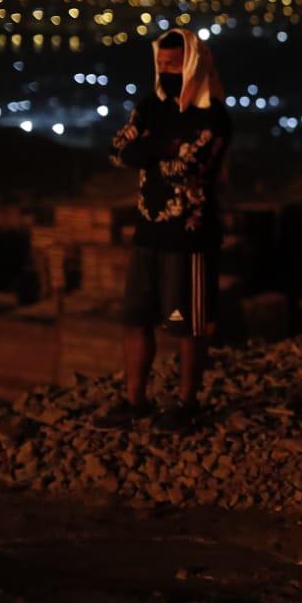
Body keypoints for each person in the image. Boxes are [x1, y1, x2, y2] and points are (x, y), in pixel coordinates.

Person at [98, 28, 231, 432]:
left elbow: (189, 168)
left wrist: (150, 151)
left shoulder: (212, 116)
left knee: (188, 325)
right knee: (135, 319)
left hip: (188, 238)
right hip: (148, 234)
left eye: (174, 65)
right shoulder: (150, 107)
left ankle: (187, 402)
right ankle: (135, 401)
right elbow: (118, 150)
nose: (166, 71)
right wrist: (162, 148)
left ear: (192, 64)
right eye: (161, 64)